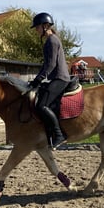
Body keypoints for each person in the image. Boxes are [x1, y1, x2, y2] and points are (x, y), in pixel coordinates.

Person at [28, 12, 70, 149]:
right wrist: (36, 80)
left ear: (45, 26)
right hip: (55, 77)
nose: (36, 30)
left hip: (60, 78)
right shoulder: (50, 41)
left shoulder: (52, 40)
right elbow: (45, 66)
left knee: (42, 106)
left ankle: (59, 135)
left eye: (37, 27)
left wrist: (39, 79)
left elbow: (51, 65)